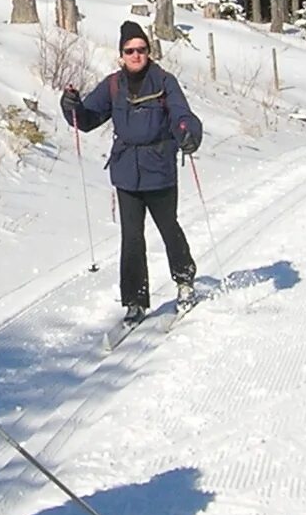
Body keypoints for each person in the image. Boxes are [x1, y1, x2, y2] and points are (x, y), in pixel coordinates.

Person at [61, 20, 204, 322]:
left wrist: (188, 132)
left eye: (141, 49)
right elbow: (86, 119)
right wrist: (70, 105)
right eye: (130, 50)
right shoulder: (113, 85)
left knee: (169, 230)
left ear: (149, 52)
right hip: (126, 172)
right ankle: (135, 302)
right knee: (132, 238)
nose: (136, 55)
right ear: (121, 54)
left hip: (159, 169)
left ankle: (185, 281)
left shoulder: (164, 82)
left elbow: (182, 115)